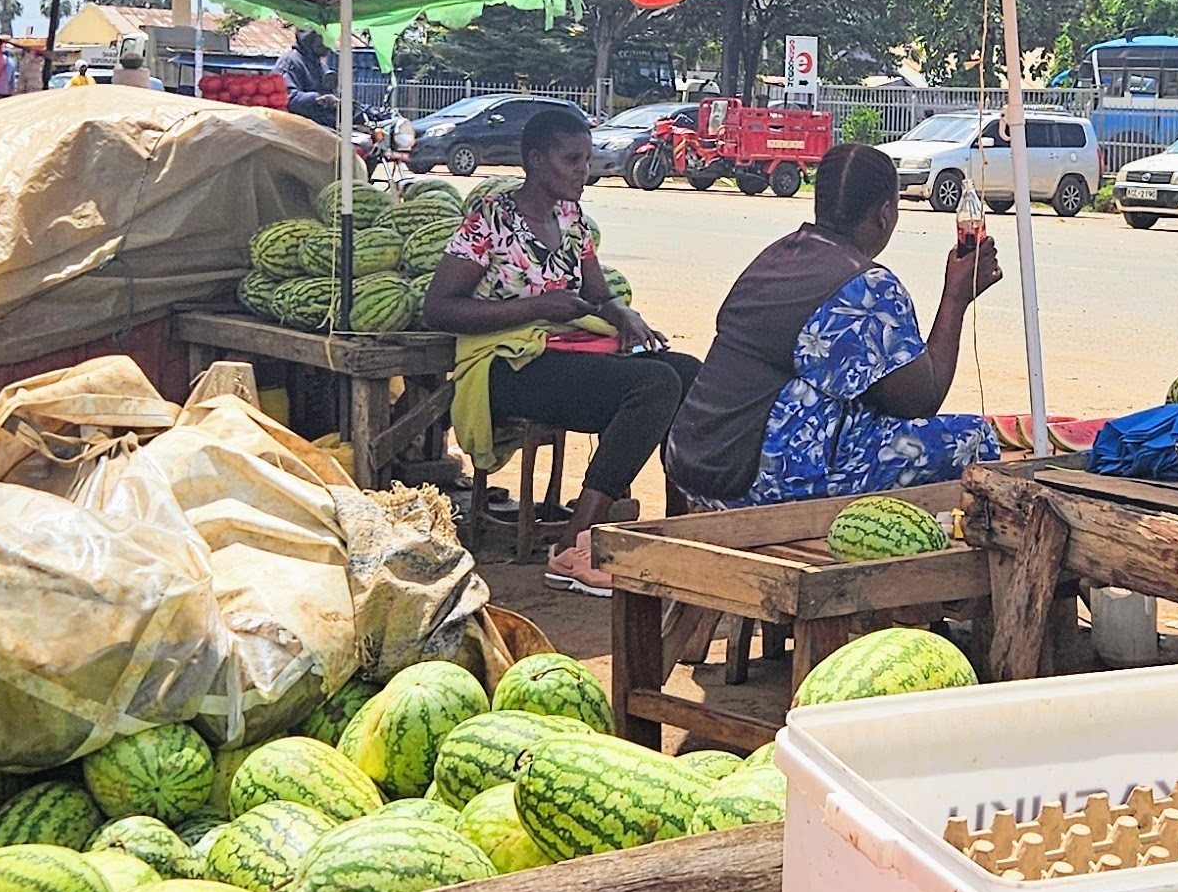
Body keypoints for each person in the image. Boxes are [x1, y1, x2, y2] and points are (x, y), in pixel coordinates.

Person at [423, 108, 694, 589]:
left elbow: (598, 294)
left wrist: (624, 316)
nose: (582, 171)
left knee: (689, 373)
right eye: (571, 160)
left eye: (586, 160)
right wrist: (536, 308)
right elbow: (440, 309)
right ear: (535, 160)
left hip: (563, 354)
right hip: (506, 366)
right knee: (653, 385)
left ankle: (678, 526)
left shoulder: (573, 219)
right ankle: (573, 546)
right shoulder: (490, 220)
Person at [664, 143, 1006, 510]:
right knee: (973, 437)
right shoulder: (867, 287)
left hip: (692, 464)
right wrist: (955, 298)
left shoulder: (778, 255)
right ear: (885, 214)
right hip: (755, 482)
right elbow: (922, 401)